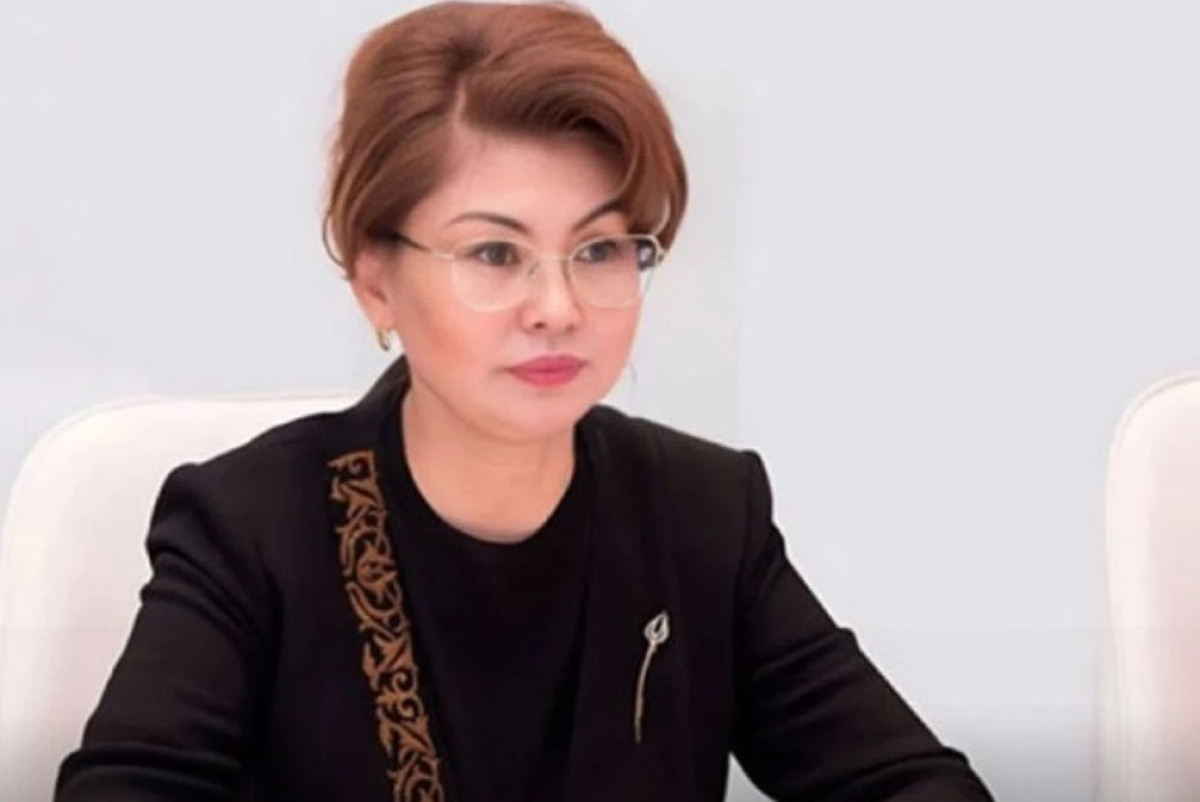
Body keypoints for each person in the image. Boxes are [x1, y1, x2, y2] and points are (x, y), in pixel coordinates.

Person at [54, 3, 994, 801]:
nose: (558, 308)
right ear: (376, 281)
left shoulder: (704, 514)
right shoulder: (249, 527)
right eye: (495, 254)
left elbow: (912, 782)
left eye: (600, 250)